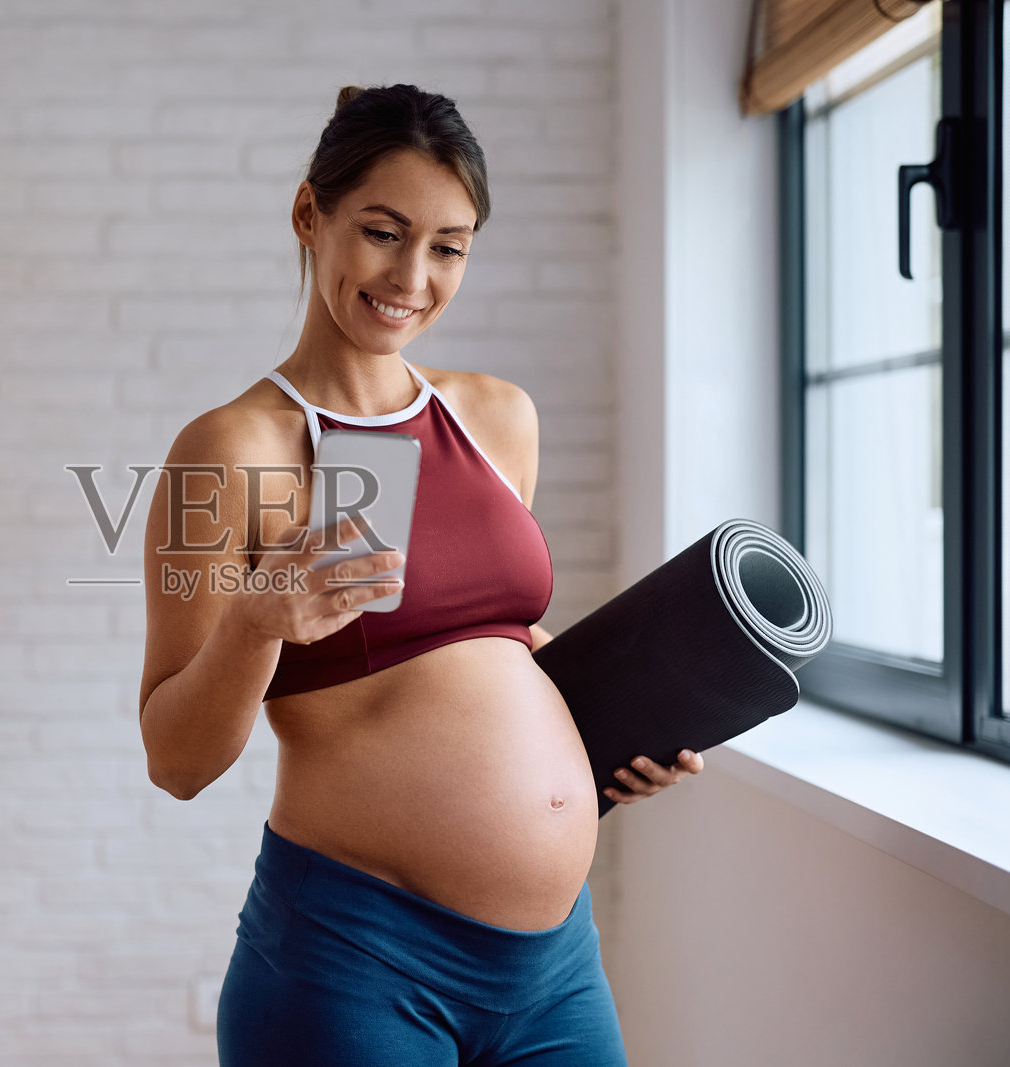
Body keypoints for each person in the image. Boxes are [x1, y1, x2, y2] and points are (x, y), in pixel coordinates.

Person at [137, 83, 705, 1067]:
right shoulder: (226, 453)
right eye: (383, 231)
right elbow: (174, 759)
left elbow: (495, 648)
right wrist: (254, 624)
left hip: (555, 966)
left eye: (448, 246)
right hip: (354, 966)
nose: (411, 275)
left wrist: (613, 732)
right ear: (309, 214)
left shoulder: (498, 418)